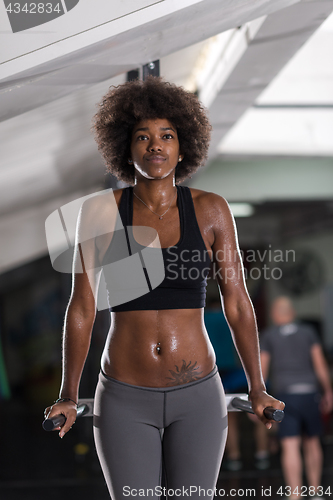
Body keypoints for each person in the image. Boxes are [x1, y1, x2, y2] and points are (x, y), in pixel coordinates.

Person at [44, 77, 284, 500]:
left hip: (198, 395)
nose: (156, 145)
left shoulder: (210, 210)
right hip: (123, 396)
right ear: (126, 147)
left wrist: (257, 386)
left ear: (182, 146)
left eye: (167, 136)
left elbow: (238, 304)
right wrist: (68, 394)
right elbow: (81, 308)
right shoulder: (100, 212)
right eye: (143, 136)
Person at [260, 296, 333, 500]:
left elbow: (262, 371)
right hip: (309, 393)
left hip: (284, 397)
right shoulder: (308, 332)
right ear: (293, 313)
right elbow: (320, 364)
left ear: (275, 314)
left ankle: (295, 495)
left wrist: (258, 399)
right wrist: (328, 390)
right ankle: (316, 492)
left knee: (290, 445)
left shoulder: (268, 335)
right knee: (313, 442)